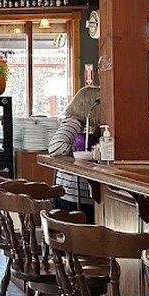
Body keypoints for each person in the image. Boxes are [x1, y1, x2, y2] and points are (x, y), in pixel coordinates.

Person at [47, 85, 101, 214]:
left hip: (75, 195)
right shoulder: (74, 123)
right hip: (73, 196)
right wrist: (80, 152)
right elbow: (55, 147)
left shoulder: (89, 126)